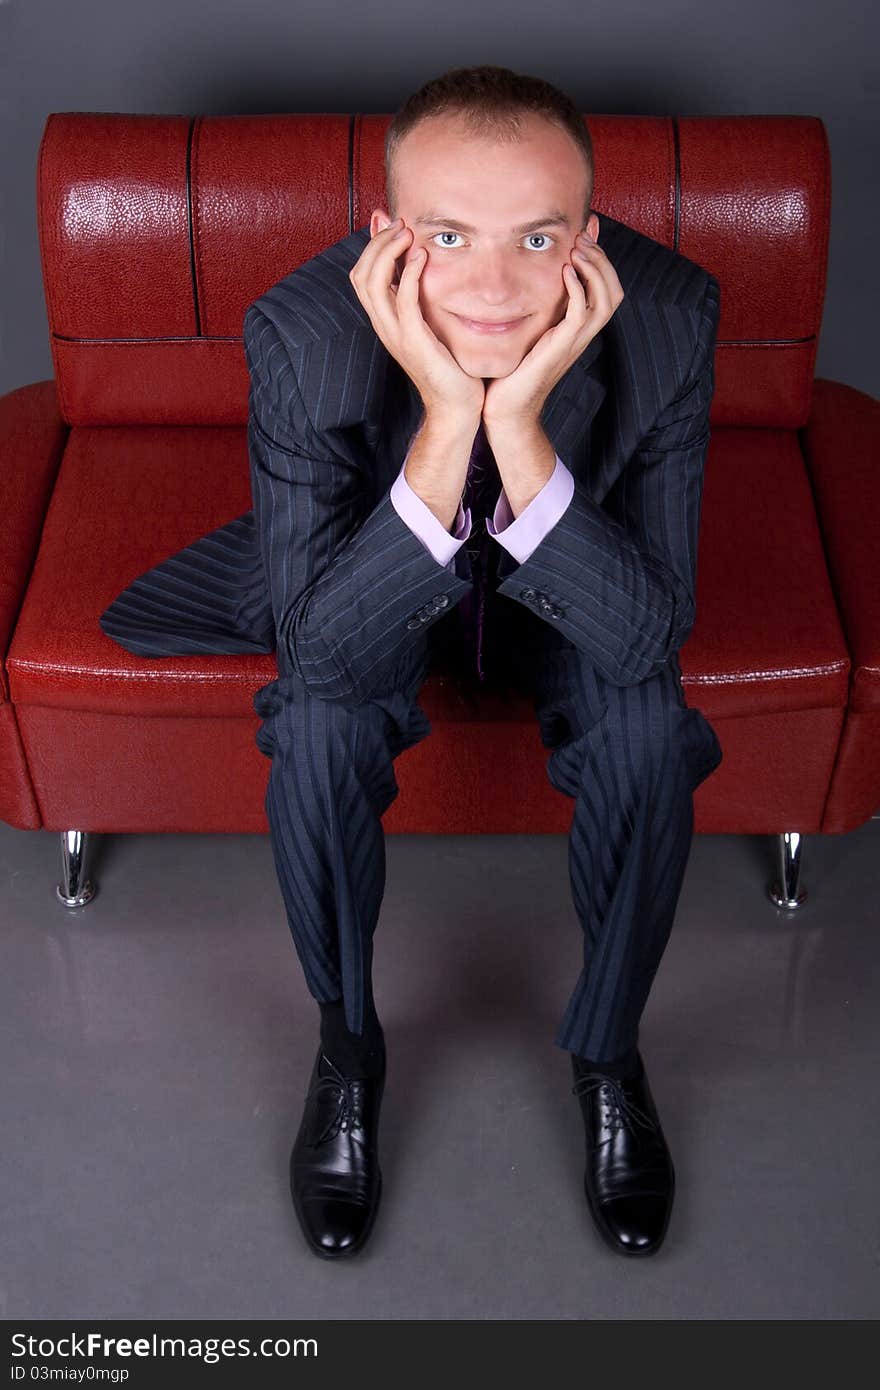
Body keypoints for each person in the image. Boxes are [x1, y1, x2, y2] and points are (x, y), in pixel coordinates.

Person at [99, 64, 724, 1261]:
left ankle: (608, 1052)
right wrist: (449, 418)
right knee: (322, 728)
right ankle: (345, 1051)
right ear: (387, 239)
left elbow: (649, 632)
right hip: (380, 575)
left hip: (572, 587)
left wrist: (521, 426)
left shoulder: (671, 312)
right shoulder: (302, 331)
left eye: (536, 237)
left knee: (646, 725)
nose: (492, 284)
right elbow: (324, 652)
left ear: (587, 240)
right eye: (448, 235)